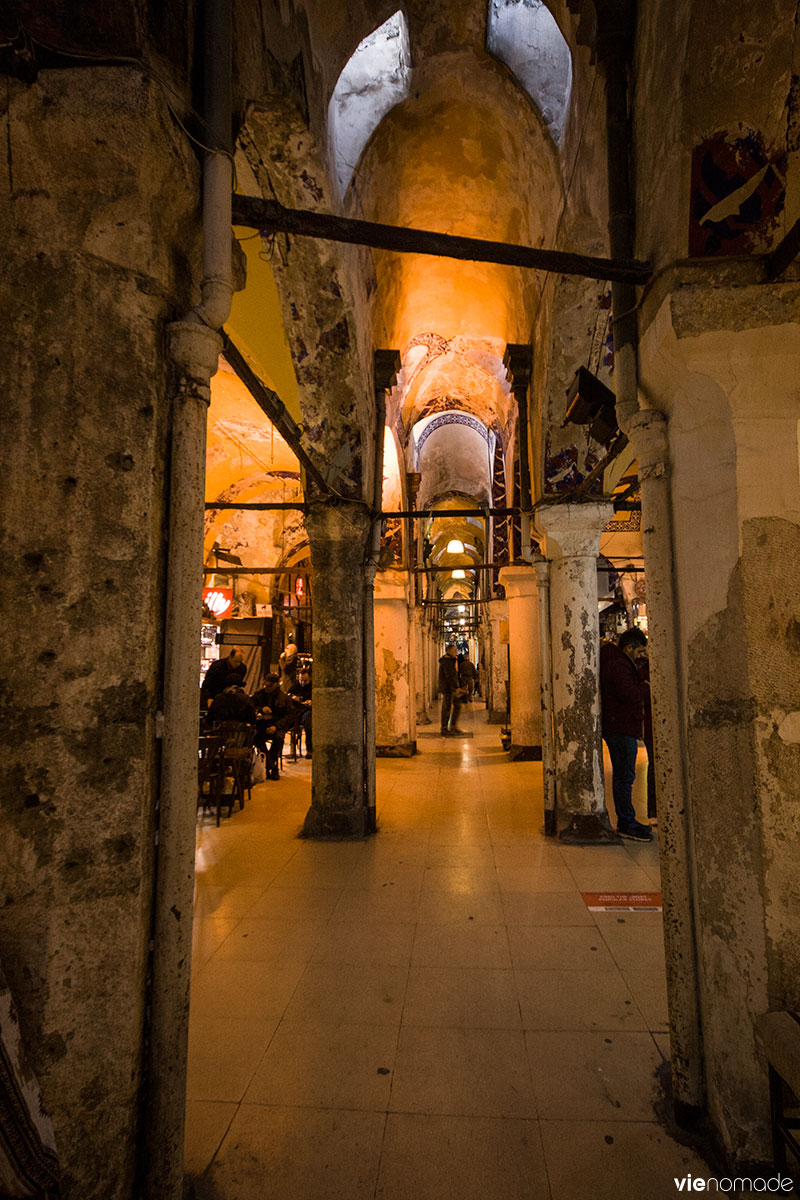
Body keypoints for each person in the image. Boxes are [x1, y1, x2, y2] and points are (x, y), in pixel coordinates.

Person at [599, 627, 653, 842]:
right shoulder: (619, 665)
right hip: (621, 728)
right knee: (624, 777)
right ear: (629, 648)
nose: (640, 656)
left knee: (624, 776)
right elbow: (628, 694)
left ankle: (628, 819)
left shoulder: (617, 661)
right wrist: (646, 688)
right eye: (639, 651)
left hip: (620, 726)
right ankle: (626, 822)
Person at [251, 673, 296, 779]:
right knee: (256, 738)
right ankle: (272, 766)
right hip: (262, 725)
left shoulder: (284, 698)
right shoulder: (259, 695)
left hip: (278, 726)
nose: (267, 688)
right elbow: (251, 705)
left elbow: (290, 715)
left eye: (269, 686)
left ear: (276, 684)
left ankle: (268, 765)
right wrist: (261, 709)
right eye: (265, 686)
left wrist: (276, 726)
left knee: (278, 739)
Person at [637, 653, 657, 825]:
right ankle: (654, 810)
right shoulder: (642, 671)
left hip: (653, 726)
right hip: (651, 727)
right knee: (654, 767)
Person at [438, 643, 465, 736]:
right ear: (450, 651)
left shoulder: (451, 660)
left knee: (457, 706)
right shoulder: (447, 661)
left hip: (451, 688)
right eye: (454, 651)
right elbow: (450, 676)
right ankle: (444, 729)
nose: (456, 652)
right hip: (448, 689)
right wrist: (456, 688)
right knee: (447, 707)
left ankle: (453, 726)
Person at [287, 667, 312, 758]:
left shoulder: (312, 687)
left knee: (308, 719)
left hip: (306, 711)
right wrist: (293, 697)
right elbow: (287, 696)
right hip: (295, 711)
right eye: (301, 680)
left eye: (305, 681)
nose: (303, 683)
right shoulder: (295, 686)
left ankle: (309, 749)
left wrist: (311, 702)